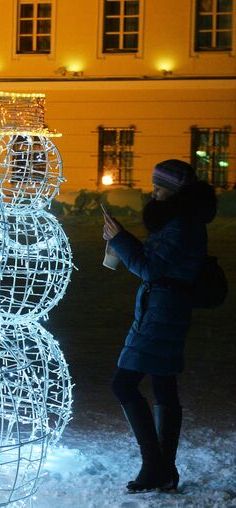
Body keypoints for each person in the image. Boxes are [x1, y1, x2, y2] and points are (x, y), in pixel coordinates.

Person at [102, 159, 216, 492]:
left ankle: (155, 466)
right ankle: (164, 471)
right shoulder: (181, 220)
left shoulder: (182, 224)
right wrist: (122, 238)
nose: (154, 193)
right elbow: (157, 261)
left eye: (160, 188)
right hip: (166, 308)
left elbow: (150, 270)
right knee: (164, 385)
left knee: (123, 384)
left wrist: (121, 240)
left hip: (162, 313)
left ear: (177, 191)